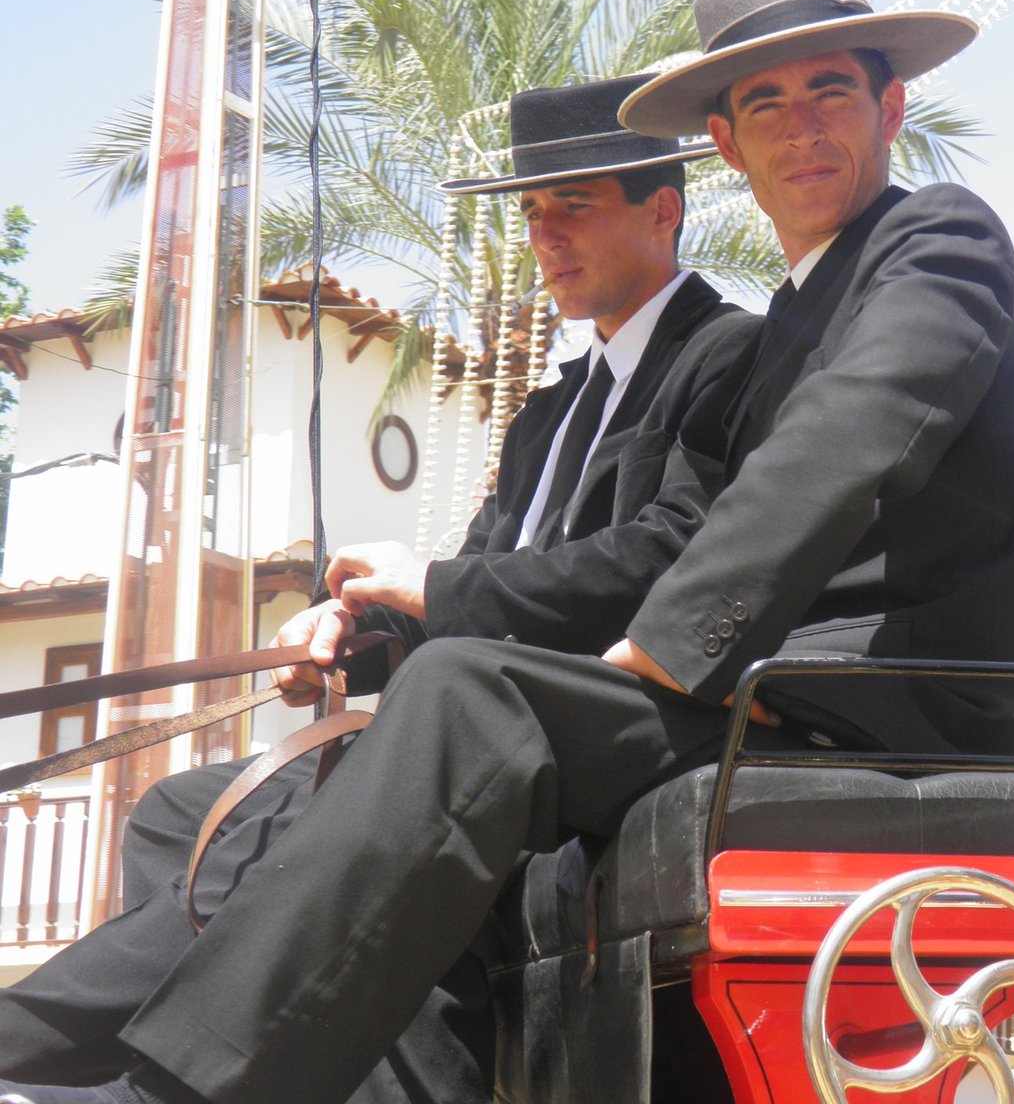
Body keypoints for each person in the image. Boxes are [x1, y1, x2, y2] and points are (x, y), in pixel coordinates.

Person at [0, 0, 1014, 1104]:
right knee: (306, 770)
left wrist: (660, 648)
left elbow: (842, 442)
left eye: (831, 92)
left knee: (467, 697)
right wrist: (368, 636)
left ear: (890, 108)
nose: (801, 129)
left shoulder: (936, 240)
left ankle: (166, 1093)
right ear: (726, 145)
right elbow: (710, 511)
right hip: (768, 691)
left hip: (879, 703)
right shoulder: (792, 318)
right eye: (766, 105)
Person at [0, 73, 757, 1102]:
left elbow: (666, 558)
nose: (545, 236)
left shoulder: (725, 355)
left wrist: (429, 585)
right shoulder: (549, 410)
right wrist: (356, 636)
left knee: (281, 831)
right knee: (182, 811)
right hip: (470, 706)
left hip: (572, 724)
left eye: (573, 207)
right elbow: (480, 585)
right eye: (533, 211)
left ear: (662, 210)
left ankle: (63, 1061)